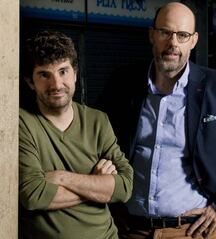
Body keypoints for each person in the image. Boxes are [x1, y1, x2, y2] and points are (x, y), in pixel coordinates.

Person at [98, 2, 216, 239]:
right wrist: (102, 166)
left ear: (193, 40)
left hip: (192, 231)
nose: (173, 43)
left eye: (182, 35)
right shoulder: (123, 82)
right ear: (152, 34)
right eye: (165, 33)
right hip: (129, 229)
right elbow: (96, 137)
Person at [18, 30, 133, 239]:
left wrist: (62, 178)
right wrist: (97, 186)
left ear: (75, 74)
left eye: (63, 71)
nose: (56, 84)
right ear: (30, 82)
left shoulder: (98, 120)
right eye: (44, 74)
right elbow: (34, 195)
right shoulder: (22, 123)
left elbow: (124, 186)